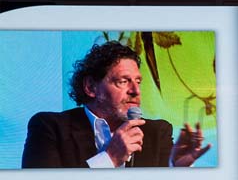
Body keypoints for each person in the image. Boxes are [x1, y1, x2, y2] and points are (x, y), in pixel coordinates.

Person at [21, 40, 210, 168]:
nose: (136, 91)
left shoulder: (157, 133)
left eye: (138, 81)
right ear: (90, 87)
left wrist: (176, 168)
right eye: (123, 81)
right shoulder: (50, 128)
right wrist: (109, 158)